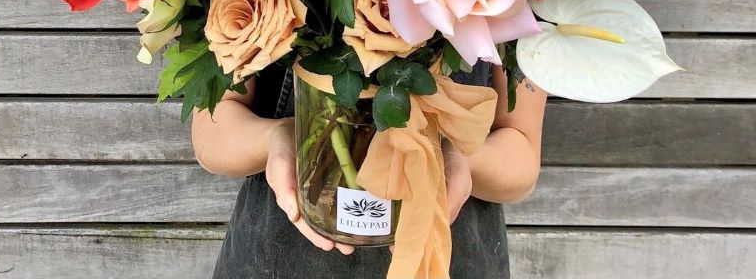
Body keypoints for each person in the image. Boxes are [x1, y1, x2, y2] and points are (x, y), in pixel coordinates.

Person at [193, 61, 546, 278]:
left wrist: (454, 157)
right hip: (280, 257)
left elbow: (521, 153)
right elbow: (212, 128)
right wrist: (277, 138)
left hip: (448, 257)